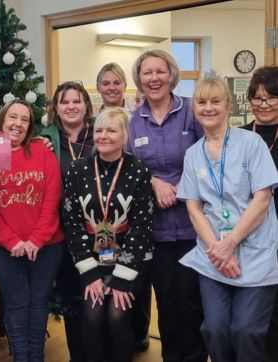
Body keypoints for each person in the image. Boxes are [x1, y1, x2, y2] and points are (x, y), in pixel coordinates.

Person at [177, 73, 278, 361]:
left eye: (215, 101)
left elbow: (263, 199)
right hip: (214, 255)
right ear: (194, 108)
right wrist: (217, 249)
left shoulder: (252, 143)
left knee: (246, 331)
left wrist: (230, 242)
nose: (208, 108)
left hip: (255, 251)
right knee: (215, 329)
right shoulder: (193, 154)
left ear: (228, 105)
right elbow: (194, 208)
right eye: (201, 102)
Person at [127, 49, 207, 362]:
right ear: (139, 79)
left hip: (194, 225)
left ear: (171, 74)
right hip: (155, 231)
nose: (154, 78)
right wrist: (152, 182)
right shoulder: (134, 122)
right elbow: (130, 169)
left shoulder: (191, 112)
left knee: (192, 300)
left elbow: (208, 159)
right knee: (167, 301)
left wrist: (183, 186)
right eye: (147, 73)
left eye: (160, 71)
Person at [63, 107, 153, 362]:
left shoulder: (138, 170)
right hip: (90, 261)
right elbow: (72, 222)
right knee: (91, 315)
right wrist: (90, 273)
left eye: (111, 130)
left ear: (125, 136)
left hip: (128, 262)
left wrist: (123, 278)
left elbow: (141, 226)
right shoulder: (77, 170)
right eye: (99, 130)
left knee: (117, 314)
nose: (103, 136)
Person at [0, 100, 63, 362]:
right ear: (2, 120)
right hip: (1, 246)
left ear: (30, 126)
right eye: (12, 117)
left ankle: (36, 357)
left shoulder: (40, 151)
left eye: (24, 120)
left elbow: (52, 195)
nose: (18, 124)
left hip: (47, 245)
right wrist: (11, 240)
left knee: (38, 303)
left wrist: (37, 238)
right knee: (16, 304)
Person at [96, 62, 152, 351]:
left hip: (132, 215)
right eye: (105, 83)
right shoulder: (94, 124)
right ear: (98, 87)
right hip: (99, 224)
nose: (111, 88)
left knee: (136, 287)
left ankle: (139, 335)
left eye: (116, 82)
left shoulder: (136, 119)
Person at [40, 81, 94, 362]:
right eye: (64, 102)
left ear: (86, 104)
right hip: (63, 234)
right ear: (56, 109)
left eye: (76, 101)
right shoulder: (46, 141)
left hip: (102, 232)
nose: (71, 106)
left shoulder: (102, 133)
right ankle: (79, 356)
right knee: (73, 298)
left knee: (104, 300)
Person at [240, 66, 278, 360]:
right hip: (249, 239)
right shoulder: (238, 137)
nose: (263, 105)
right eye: (257, 98)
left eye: (271, 98)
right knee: (253, 322)